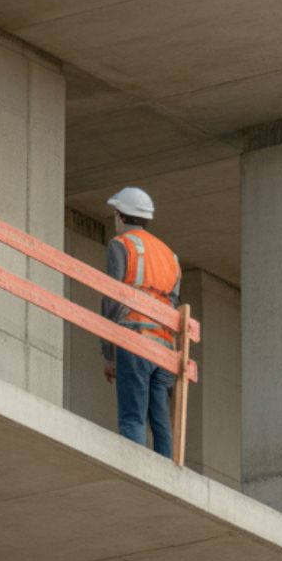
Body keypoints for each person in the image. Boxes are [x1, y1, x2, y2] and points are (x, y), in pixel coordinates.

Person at [100, 186, 180, 457]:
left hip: (134, 340)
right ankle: (167, 475)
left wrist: (108, 353)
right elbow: (174, 303)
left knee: (132, 417)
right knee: (160, 420)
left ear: (120, 216)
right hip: (165, 348)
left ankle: (136, 470)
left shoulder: (121, 245)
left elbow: (112, 298)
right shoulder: (171, 256)